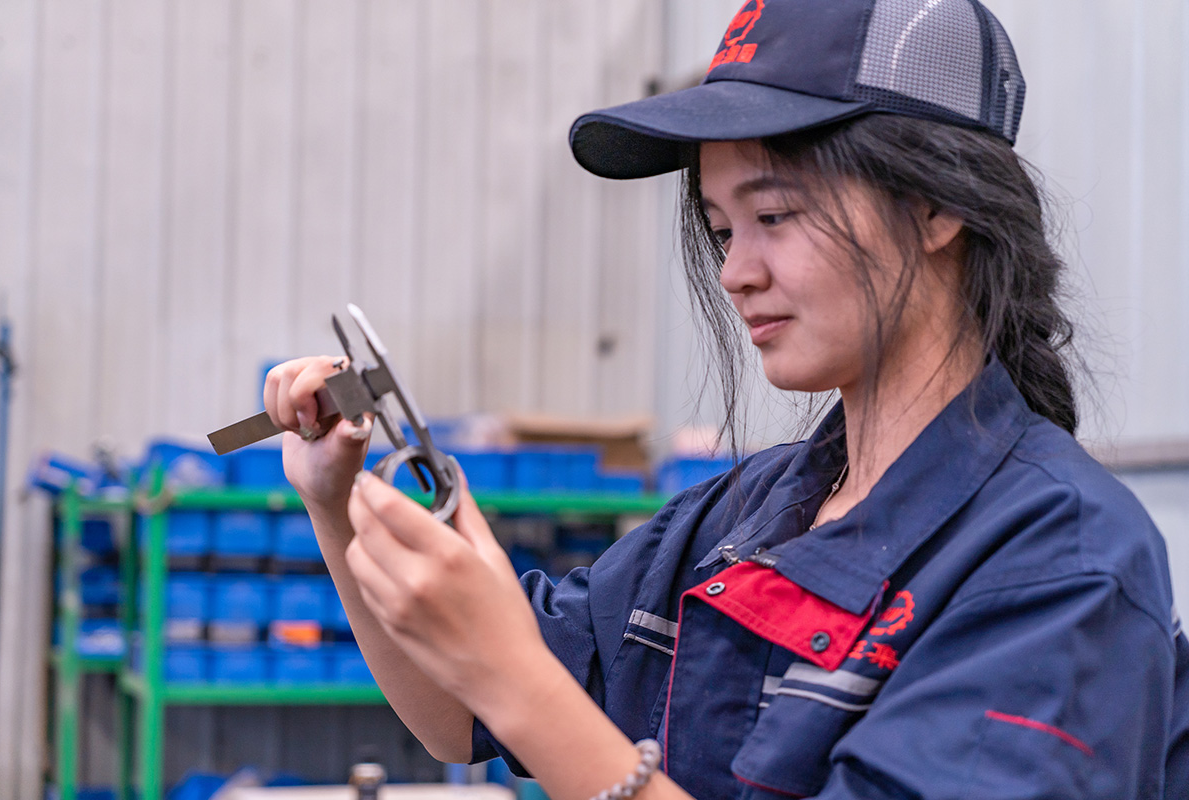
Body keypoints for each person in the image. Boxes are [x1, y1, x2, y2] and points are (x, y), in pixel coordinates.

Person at [262, 1, 1189, 797]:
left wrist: (515, 680)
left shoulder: (1061, 564)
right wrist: (335, 503)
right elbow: (458, 715)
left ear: (937, 207)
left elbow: (507, 691)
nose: (737, 272)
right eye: (720, 229)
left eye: (774, 216)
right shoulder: (739, 521)